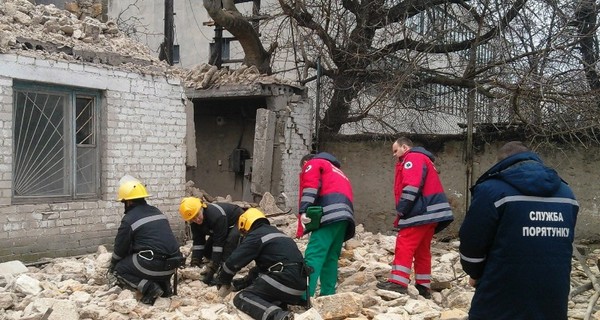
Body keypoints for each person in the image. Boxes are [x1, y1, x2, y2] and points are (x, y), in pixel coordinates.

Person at [459, 141, 579, 320]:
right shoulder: (567, 194)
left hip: (500, 298)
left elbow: (472, 244)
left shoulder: (491, 190)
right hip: (553, 300)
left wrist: (475, 273)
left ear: (501, 163)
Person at [377, 137, 454, 298]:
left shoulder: (412, 158)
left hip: (419, 211)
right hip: (432, 213)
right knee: (422, 250)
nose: (394, 155)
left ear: (405, 147)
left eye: (395, 150)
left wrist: (402, 210)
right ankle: (423, 286)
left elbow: (411, 186)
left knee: (404, 244)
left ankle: (398, 283)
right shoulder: (424, 159)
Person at [215, 208, 307, 320]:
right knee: (256, 271)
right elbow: (259, 271)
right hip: (298, 288)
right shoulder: (277, 233)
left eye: (243, 232)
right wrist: (242, 283)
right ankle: (278, 306)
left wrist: (223, 279)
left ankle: (279, 316)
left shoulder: (256, 235)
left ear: (245, 224)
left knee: (243, 297)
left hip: (283, 282)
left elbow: (233, 262)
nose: (244, 235)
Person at [110, 176, 184, 305]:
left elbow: (120, 249)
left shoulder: (129, 219)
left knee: (120, 268)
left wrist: (113, 265)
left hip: (153, 265)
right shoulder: (156, 211)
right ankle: (164, 287)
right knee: (149, 255)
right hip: (172, 267)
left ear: (128, 202)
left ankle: (150, 288)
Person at [297, 152, 355, 297]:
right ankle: (327, 295)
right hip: (344, 218)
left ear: (306, 163)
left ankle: (304, 297)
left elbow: (310, 187)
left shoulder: (313, 164)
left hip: (329, 215)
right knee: (331, 257)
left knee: (314, 254)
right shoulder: (338, 171)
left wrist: (304, 210)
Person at [179, 196, 244, 285]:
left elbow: (218, 243)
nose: (197, 220)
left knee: (230, 241)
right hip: (221, 227)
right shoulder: (194, 223)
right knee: (207, 252)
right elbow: (198, 242)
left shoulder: (215, 216)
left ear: (202, 208)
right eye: (193, 218)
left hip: (238, 220)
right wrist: (195, 261)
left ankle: (224, 269)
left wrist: (213, 268)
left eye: (198, 215)